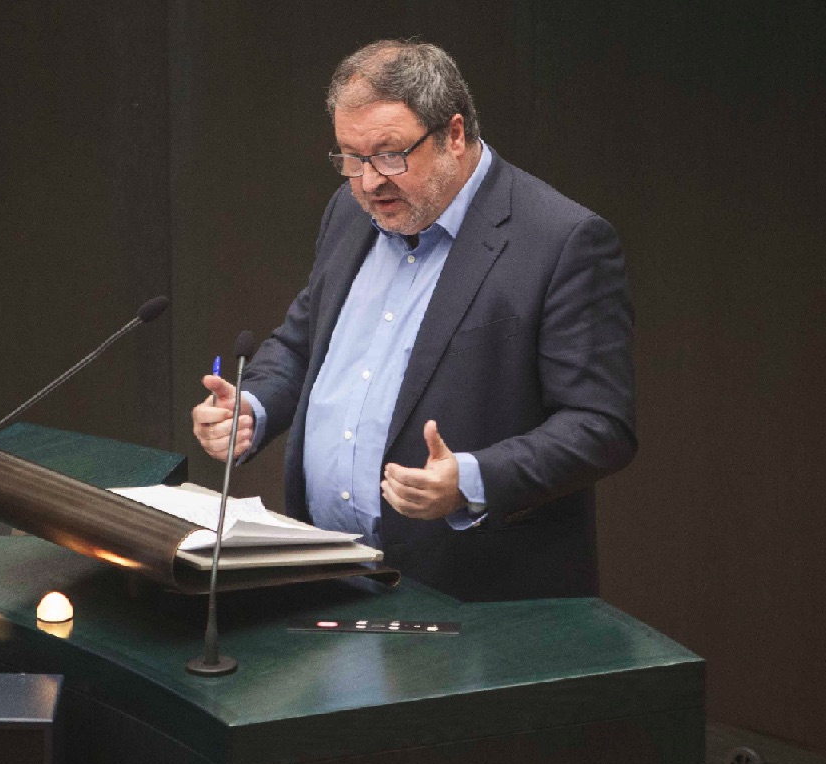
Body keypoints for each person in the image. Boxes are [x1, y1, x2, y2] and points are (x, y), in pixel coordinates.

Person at [191, 40, 636, 601]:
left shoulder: (562, 241)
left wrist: (472, 480)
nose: (369, 182)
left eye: (389, 154)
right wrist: (252, 408)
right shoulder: (348, 213)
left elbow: (601, 425)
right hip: (321, 573)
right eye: (351, 158)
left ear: (453, 135)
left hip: (468, 601)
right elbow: (306, 341)